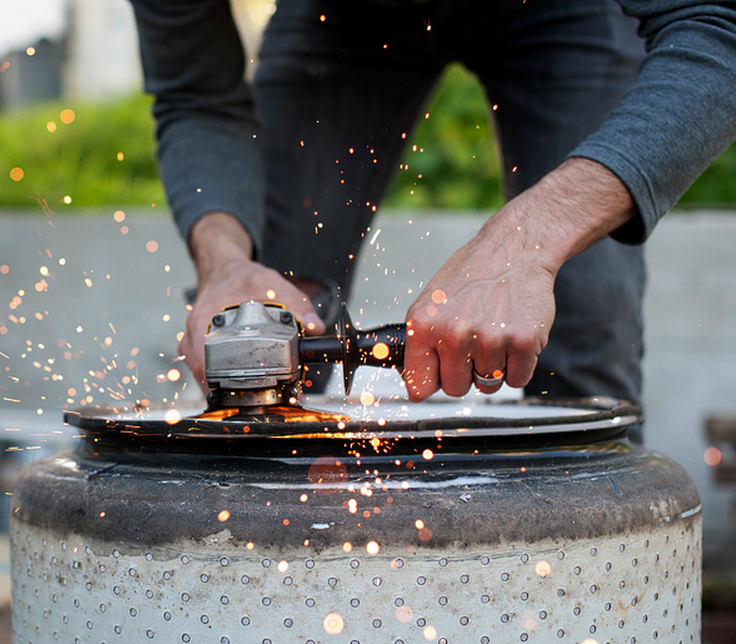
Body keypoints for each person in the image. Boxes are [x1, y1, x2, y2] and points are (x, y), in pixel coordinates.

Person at [127, 0, 736, 404]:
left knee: (585, 320)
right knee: (269, 324)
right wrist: (225, 262)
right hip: (339, 18)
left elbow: (720, 26)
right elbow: (195, 95)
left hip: (566, 11)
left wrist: (530, 242)